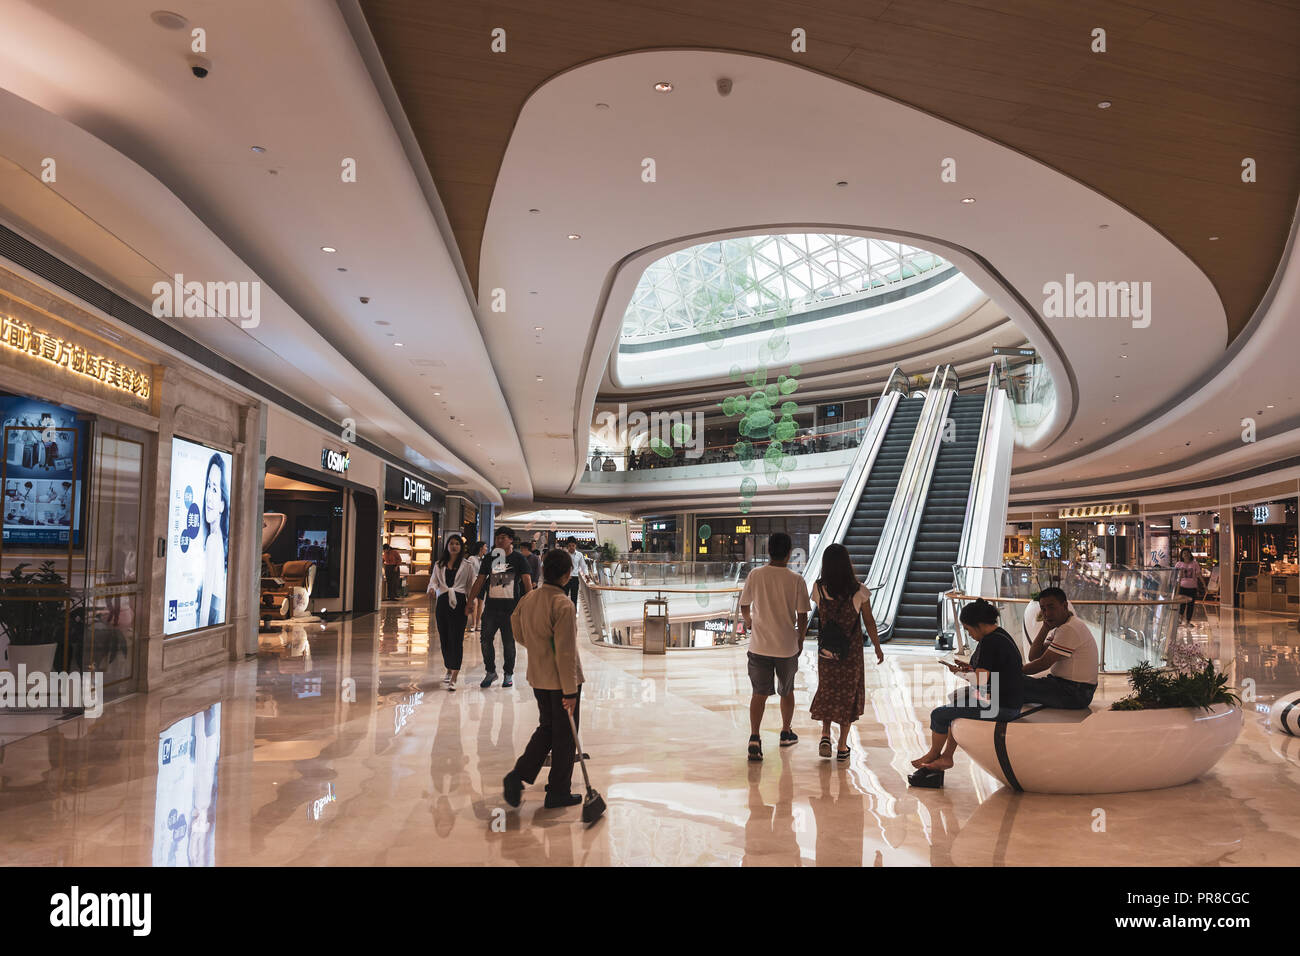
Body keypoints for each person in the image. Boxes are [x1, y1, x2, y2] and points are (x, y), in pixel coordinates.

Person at [502, 548, 586, 811]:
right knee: (564, 737)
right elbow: (565, 652)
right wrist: (570, 692)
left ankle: (518, 775)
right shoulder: (563, 604)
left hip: (539, 677)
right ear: (566, 574)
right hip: (562, 682)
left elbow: (516, 627)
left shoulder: (529, 599)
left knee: (548, 728)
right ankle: (558, 791)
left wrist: (537, 647)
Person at [909, 599, 1023, 787]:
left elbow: (981, 680)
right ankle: (946, 756)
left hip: (1001, 707)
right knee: (957, 703)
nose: (969, 634)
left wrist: (962, 673)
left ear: (978, 625)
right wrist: (970, 669)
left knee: (939, 714)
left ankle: (934, 754)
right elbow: (993, 672)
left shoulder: (990, 642)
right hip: (1008, 701)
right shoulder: (1001, 635)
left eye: (969, 630)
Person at [738, 532, 810, 761]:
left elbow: (744, 606)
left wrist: (750, 623)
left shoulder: (756, 575)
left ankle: (754, 738)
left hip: (759, 646)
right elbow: (802, 616)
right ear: (789, 553)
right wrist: (800, 640)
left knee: (759, 693)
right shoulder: (796, 580)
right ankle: (786, 732)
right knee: (786, 691)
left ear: (768, 551)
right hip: (786, 647)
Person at [809, 543, 883, 761]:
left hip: (826, 651)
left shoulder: (819, 588)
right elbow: (869, 622)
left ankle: (825, 734)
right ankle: (842, 746)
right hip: (850, 653)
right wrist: (878, 646)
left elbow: (820, 615)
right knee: (847, 695)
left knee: (828, 689)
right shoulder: (859, 590)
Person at [467, 527, 532, 688]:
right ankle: (490, 672)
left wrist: (529, 606)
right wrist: (470, 600)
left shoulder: (519, 559)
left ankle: (508, 673)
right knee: (485, 640)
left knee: (509, 643)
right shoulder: (490, 558)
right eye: (497, 538)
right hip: (491, 608)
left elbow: (527, 583)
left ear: (511, 539)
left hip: (511, 609)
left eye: (503, 538)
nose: (499, 541)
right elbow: (480, 581)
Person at [1022, 586, 1099, 709]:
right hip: (1068, 687)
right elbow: (1034, 656)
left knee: (1015, 683)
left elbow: (1043, 663)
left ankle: (985, 704)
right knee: (1016, 683)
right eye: (1043, 609)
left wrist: (1014, 672)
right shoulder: (1063, 626)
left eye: (1051, 607)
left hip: (1075, 692)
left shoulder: (1069, 628)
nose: (1047, 613)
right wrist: (1045, 628)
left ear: (1064, 606)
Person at [429, 534, 474, 690]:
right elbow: (433, 581)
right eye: (451, 543)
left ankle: (455, 674)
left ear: (461, 548)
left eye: (457, 544)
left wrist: (470, 603)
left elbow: (470, 585)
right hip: (442, 602)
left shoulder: (467, 565)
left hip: (460, 602)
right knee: (445, 637)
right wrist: (432, 589)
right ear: (447, 546)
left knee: (457, 638)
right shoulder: (439, 564)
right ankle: (448, 667)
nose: (454, 546)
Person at [197, 453, 229, 628]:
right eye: (208, 486)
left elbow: (206, 604)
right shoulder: (218, 541)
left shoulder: (213, 542)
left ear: (222, 504)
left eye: (215, 489)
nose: (209, 495)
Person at [1174, 548, 1201, 624]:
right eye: (1184, 553)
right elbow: (1175, 576)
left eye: (1187, 553)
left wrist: (1204, 586)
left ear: (1190, 554)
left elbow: (1198, 574)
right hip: (1182, 587)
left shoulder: (1195, 563)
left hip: (1192, 588)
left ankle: (1188, 621)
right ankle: (1180, 620)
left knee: (1191, 605)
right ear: (1181, 555)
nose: (1186, 555)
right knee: (1182, 604)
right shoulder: (1178, 564)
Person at [467, 541, 487, 631]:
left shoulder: (485, 559)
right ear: (480, 548)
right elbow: (469, 572)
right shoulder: (471, 558)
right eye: (485, 547)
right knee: (474, 603)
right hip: (473, 583)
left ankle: (478, 624)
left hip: (482, 583)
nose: (486, 549)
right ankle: (473, 624)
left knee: (480, 604)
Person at [564, 537, 588, 606]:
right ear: (567, 546)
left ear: (575, 545)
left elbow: (583, 565)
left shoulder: (579, 554)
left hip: (575, 578)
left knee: (574, 598)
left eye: (573, 545)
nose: (571, 547)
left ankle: (573, 613)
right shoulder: (564, 554)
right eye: (569, 546)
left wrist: (586, 574)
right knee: (564, 597)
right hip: (566, 578)